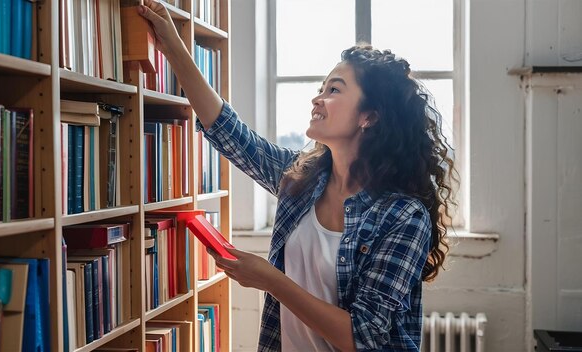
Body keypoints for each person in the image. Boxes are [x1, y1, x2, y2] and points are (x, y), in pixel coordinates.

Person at [138, 1, 457, 351]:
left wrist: (271, 280)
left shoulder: (403, 217)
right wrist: (172, 45)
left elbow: (362, 337)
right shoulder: (302, 180)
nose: (317, 99)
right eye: (321, 88)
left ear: (370, 116)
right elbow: (231, 134)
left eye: (333, 90)